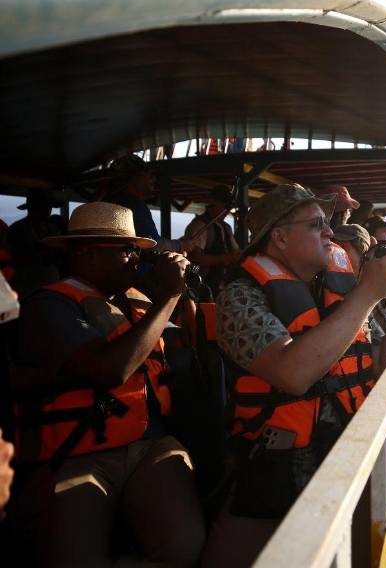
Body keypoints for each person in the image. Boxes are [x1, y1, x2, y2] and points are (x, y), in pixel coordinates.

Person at [202, 184, 386, 567]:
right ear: (279, 237)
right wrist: (368, 294)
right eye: (316, 224)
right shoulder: (240, 297)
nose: (330, 231)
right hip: (275, 468)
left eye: (327, 222)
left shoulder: (340, 290)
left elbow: (383, 366)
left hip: (348, 451)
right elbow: (292, 374)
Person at [10, 202, 205, 566]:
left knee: (185, 547)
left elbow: (186, 349)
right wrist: (168, 297)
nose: (136, 259)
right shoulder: (49, 306)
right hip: (75, 451)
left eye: (137, 250)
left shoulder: (137, 300)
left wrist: (183, 294)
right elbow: (110, 370)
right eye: (126, 249)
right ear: (84, 252)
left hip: (148, 443)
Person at [332, 224, 386, 373]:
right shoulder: (318, 294)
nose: (340, 257)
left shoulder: (365, 303)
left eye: (348, 249)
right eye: (337, 248)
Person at [104, 154, 184, 253]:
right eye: (147, 172)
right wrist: (181, 245)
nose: (153, 178)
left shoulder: (114, 201)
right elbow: (153, 246)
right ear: (134, 177)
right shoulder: (133, 205)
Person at [7, 189, 66, 297]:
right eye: (44, 206)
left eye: (49, 206)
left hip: (51, 286)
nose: (48, 210)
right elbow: (18, 257)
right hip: (25, 288)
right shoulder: (17, 230)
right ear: (32, 208)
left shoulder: (54, 228)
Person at [183, 185, 240, 297]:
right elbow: (194, 258)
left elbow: (235, 252)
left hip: (224, 286)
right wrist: (223, 258)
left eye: (228, 206)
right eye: (224, 205)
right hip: (205, 287)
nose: (227, 210)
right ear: (212, 204)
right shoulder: (200, 226)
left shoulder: (226, 227)